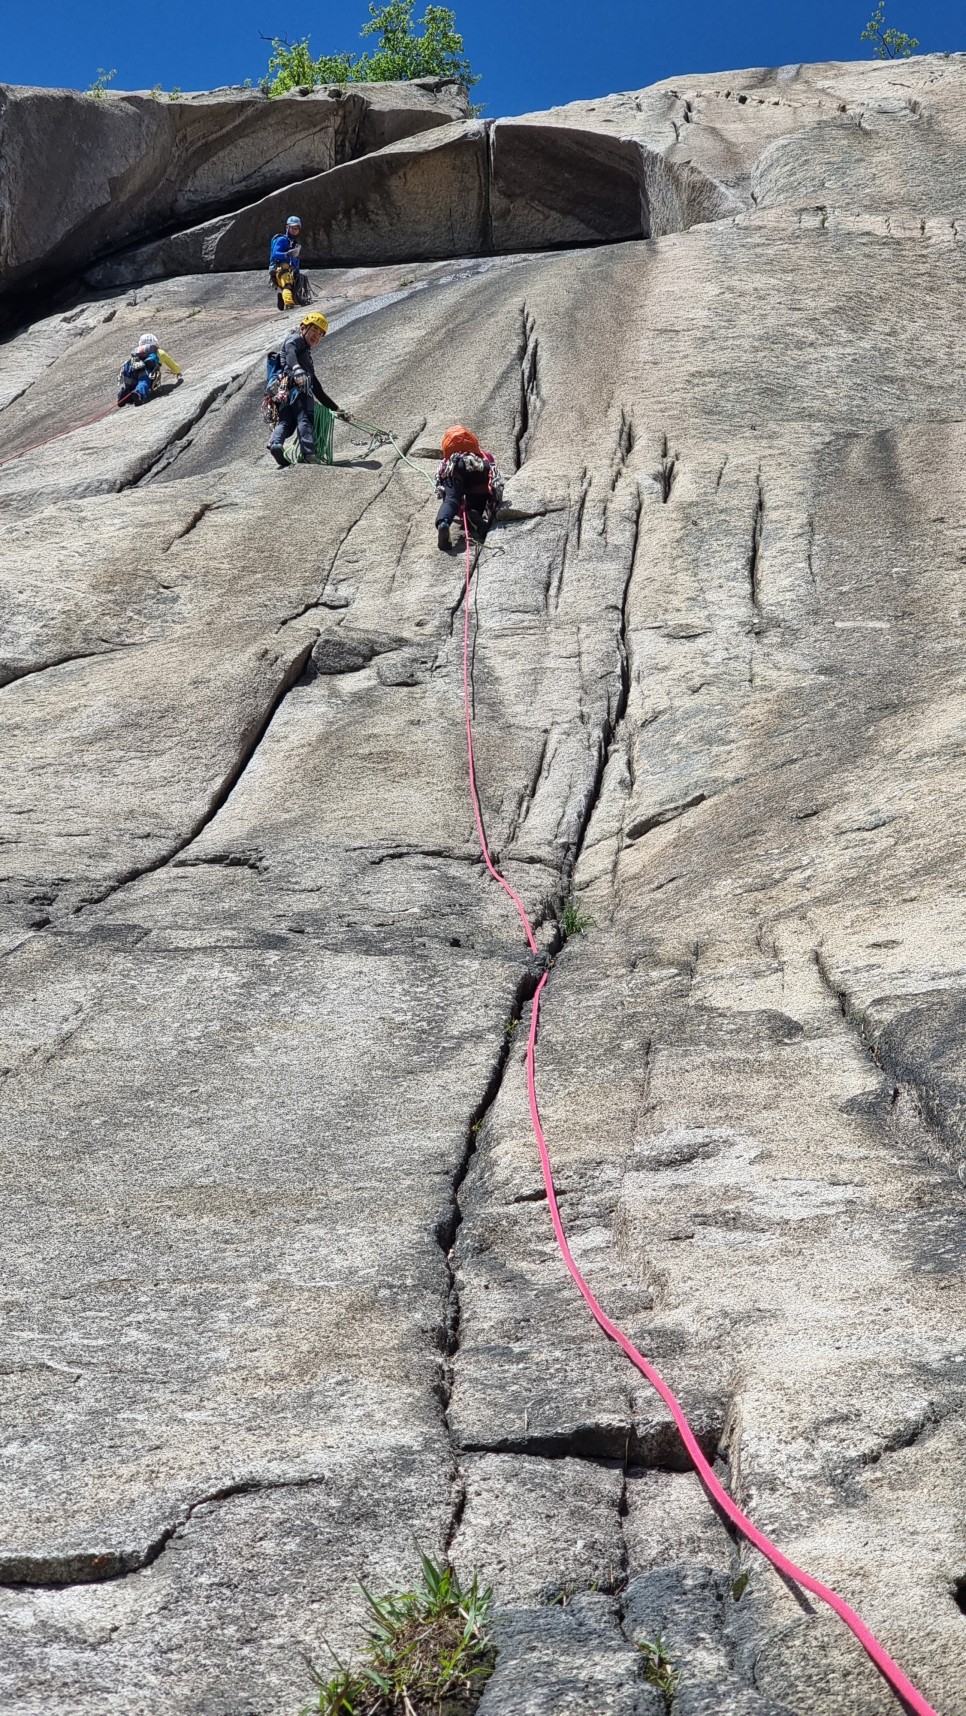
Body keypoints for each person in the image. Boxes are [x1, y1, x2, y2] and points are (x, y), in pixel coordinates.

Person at [266, 311, 346, 468]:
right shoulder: (295, 339)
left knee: (286, 422)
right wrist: (296, 368)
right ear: (303, 328)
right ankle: (309, 454)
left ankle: (276, 444)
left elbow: (318, 390)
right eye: (314, 330)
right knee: (305, 419)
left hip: (285, 393)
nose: (317, 335)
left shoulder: (306, 358)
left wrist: (337, 409)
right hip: (298, 389)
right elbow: (289, 352)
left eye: (321, 334)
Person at [435, 425, 504, 550]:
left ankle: (444, 523)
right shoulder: (484, 455)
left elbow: (448, 494)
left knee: (451, 500)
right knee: (478, 496)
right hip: (479, 467)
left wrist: (458, 508)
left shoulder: (448, 461)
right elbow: (492, 472)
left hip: (455, 468)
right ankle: (474, 513)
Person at [117, 333, 182, 406]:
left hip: (131, 369)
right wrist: (177, 372)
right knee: (144, 381)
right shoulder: (160, 352)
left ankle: (123, 395)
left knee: (130, 384)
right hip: (145, 371)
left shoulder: (138, 352)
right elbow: (175, 368)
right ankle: (138, 394)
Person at [269, 214, 311, 310]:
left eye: (296, 228)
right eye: (293, 228)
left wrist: (296, 270)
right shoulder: (282, 240)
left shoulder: (293, 242)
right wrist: (286, 254)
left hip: (291, 270)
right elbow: (275, 254)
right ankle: (288, 304)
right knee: (287, 285)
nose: (294, 230)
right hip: (282, 268)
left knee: (292, 288)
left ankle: (282, 298)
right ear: (287, 227)